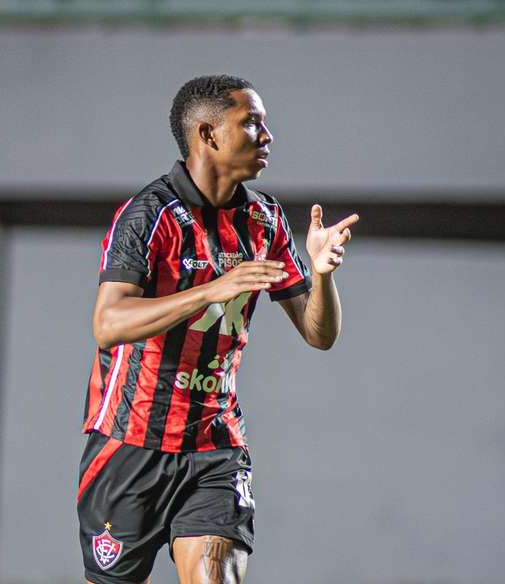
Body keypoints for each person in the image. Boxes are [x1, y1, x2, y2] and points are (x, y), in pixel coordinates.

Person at [77, 74, 359, 584]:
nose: (267, 136)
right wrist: (210, 290)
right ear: (207, 134)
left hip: (215, 444)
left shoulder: (265, 220)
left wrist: (321, 274)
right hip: (130, 444)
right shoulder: (149, 215)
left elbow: (319, 334)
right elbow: (108, 323)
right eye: (251, 123)